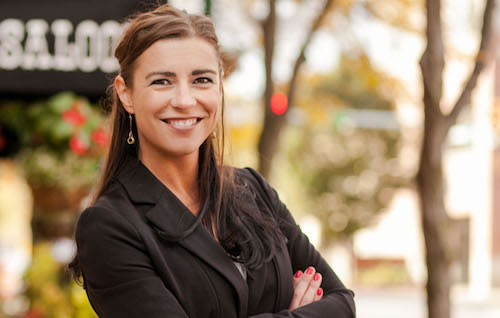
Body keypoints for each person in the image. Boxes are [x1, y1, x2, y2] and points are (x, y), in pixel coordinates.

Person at [69, 4, 355, 317]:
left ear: (219, 86)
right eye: (161, 81)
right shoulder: (109, 226)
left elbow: (341, 302)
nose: (184, 100)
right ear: (126, 94)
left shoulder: (254, 191)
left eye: (201, 80)